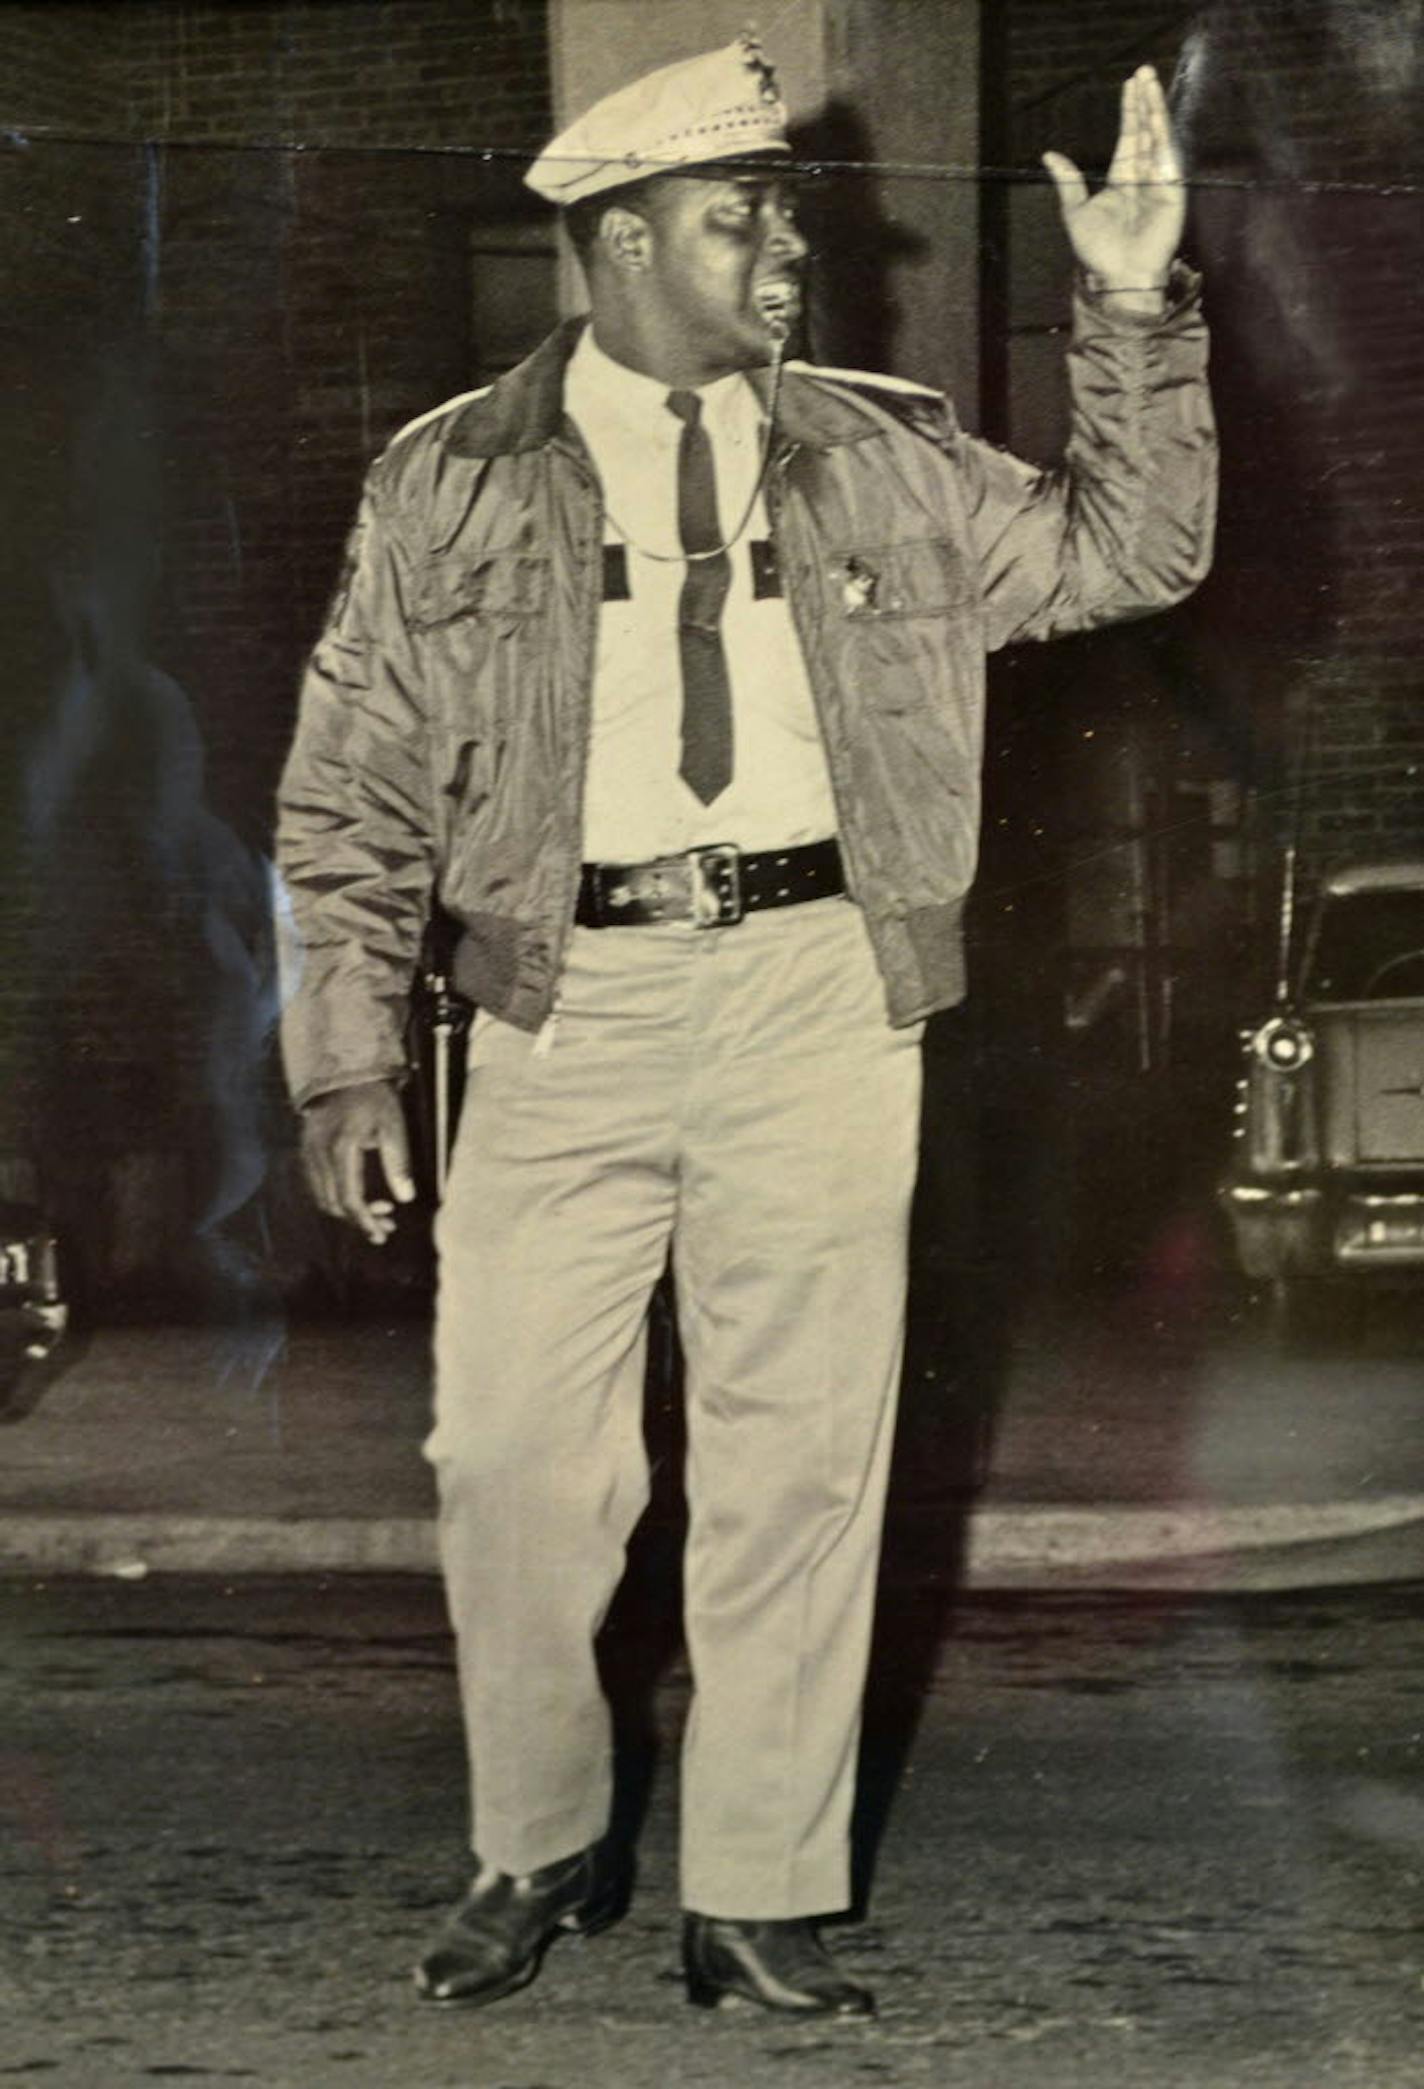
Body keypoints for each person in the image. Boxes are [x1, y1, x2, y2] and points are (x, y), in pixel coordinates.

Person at [275, 34, 1215, 2020]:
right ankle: (537, 1841)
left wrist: (1131, 301)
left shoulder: (885, 448)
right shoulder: (448, 473)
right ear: (618, 245)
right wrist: (347, 1049)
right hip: (557, 1000)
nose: (787, 246)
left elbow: (1137, 553)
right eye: (739, 216)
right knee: (514, 1460)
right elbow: (350, 785)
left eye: (785, 211)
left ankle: (757, 1890)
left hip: (817, 992)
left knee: (801, 1459)